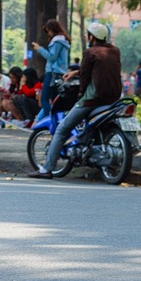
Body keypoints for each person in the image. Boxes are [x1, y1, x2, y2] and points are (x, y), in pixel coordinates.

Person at [28, 22, 122, 179]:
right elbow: (98, 69)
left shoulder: (90, 52)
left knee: (62, 129)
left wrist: (80, 94)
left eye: (88, 35)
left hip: (93, 100)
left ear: (91, 37)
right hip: (113, 99)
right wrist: (75, 72)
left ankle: (46, 169)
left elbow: (85, 78)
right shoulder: (114, 51)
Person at [30, 19, 71, 122]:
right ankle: (44, 121)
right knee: (53, 101)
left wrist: (39, 48)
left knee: (44, 99)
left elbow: (51, 57)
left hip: (53, 72)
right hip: (59, 73)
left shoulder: (57, 41)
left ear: (53, 29)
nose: (48, 33)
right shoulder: (62, 40)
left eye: (48, 30)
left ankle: (50, 121)